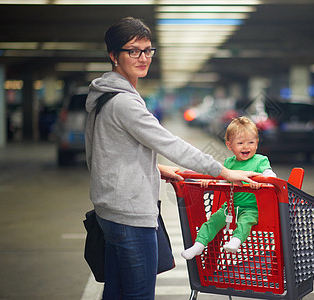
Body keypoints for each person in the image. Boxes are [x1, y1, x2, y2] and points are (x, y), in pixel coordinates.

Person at [84, 17, 259, 300]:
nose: (143, 58)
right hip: (130, 215)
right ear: (113, 55)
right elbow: (170, 142)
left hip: (110, 211)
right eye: (133, 51)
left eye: (148, 50)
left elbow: (106, 150)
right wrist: (222, 171)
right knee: (139, 295)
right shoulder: (124, 102)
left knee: (116, 292)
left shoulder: (104, 97)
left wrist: (154, 168)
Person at [181, 116, 276, 260]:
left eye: (251, 142)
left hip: (252, 208)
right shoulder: (228, 163)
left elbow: (270, 174)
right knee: (213, 220)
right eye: (240, 143)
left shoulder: (260, 160)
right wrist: (211, 184)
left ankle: (235, 241)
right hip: (230, 206)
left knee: (245, 222)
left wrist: (265, 181)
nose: (246, 147)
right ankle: (199, 245)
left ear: (257, 143)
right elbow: (224, 181)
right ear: (229, 145)